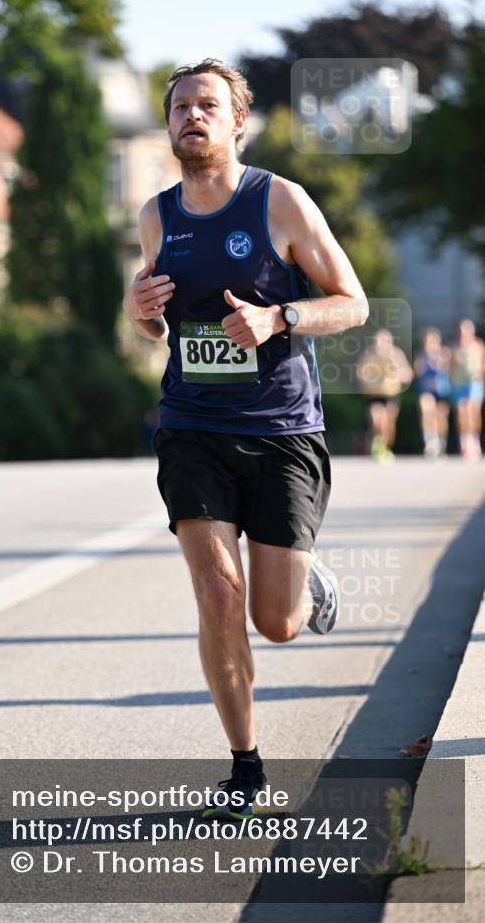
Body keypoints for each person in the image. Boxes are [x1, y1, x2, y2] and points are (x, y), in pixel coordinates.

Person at [122, 59, 369, 821]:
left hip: (281, 430)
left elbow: (351, 303)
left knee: (277, 623)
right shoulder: (155, 215)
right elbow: (158, 323)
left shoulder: (280, 202)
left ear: (236, 123)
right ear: (168, 126)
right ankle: (245, 768)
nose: (191, 117)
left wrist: (279, 318)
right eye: (179, 108)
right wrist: (141, 311)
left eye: (207, 106)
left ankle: (303, 579)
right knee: (215, 593)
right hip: (192, 425)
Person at [356, 329, 413, 463]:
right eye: (377, 341)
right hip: (374, 395)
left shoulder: (397, 354)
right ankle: (377, 445)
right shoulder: (368, 355)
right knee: (377, 418)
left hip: (391, 394)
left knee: (389, 423)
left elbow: (408, 374)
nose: (379, 344)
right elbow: (360, 373)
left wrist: (397, 372)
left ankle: (386, 446)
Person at [450, 318, 485, 461]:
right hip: (459, 384)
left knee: (472, 410)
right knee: (461, 411)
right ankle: (465, 440)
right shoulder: (454, 348)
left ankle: (473, 439)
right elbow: (449, 369)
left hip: (474, 383)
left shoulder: (478, 346)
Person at [413, 328, 451, 458]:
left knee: (440, 418)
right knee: (426, 410)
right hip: (426, 390)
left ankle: (441, 442)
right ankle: (430, 440)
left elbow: (452, 371)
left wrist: (442, 363)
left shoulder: (445, 354)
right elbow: (417, 372)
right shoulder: (421, 357)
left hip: (442, 391)